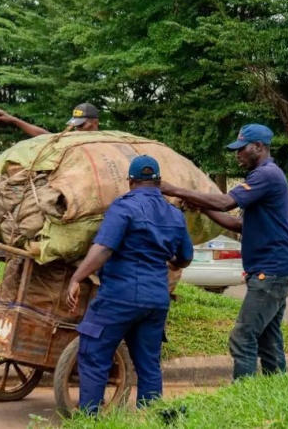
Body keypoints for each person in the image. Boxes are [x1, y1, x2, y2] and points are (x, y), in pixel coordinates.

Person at [160, 124, 288, 380]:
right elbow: (239, 224)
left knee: (242, 337)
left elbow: (225, 202)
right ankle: (281, 393)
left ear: (258, 147)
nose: (237, 155)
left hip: (271, 271)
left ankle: (241, 400)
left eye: (241, 149)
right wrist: (201, 208)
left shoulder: (265, 175)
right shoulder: (265, 177)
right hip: (274, 269)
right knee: (268, 339)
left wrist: (173, 189)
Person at [66, 155, 193, 415]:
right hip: (157, 299)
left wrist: (77, 277)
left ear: (131, 181)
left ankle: (90, 418)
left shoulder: (123, 207)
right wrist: (172, 262)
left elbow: (103, 249)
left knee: (94, 353)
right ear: (158, 181)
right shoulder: (175, 214)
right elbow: (186, 257)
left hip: (119, 298)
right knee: (148, 363)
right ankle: (151, 416)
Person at [0, 103, 99, 137]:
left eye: (81, 125)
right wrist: (13, 120)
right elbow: (45, 136)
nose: (77, 130)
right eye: (76, 126)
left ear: (95, 123)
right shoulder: (73, 139)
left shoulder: (109, 141)